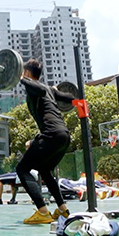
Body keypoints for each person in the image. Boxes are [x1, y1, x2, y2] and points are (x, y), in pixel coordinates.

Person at [16, 59, 75, 224]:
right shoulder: (49, 89)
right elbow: (70, 97)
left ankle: (42, 212)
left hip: (52, 134)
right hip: (63, 135)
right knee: (45, 170)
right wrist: (55, 91)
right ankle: (63, 210)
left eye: (24, 72)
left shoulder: (38, 87)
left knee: (22, 169)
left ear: (27, 73)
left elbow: (42, 90)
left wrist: (19, 78)